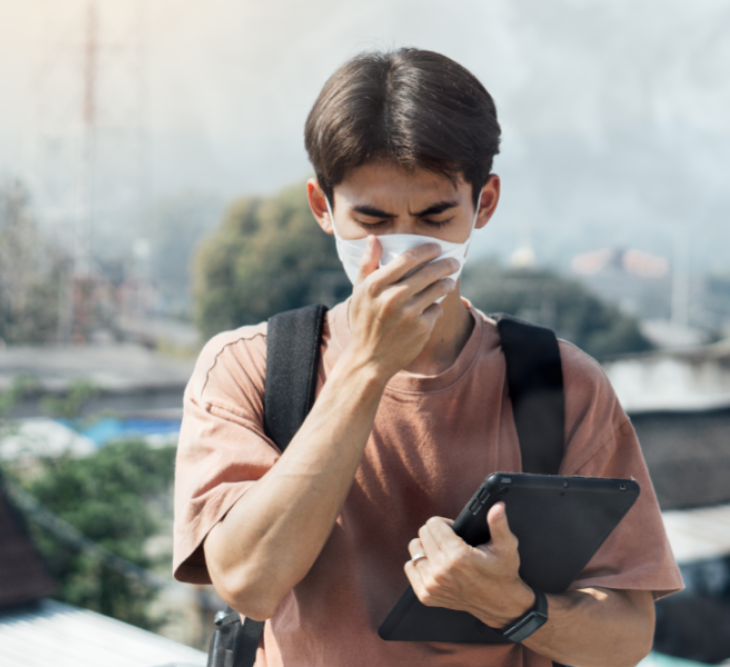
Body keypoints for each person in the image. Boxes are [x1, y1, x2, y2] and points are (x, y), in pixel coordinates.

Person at [172, 48, 683, 667]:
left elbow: (627, 635)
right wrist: (365, 369)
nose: (404, 247)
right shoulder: (249, 370)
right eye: (373, 218)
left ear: (484, 205)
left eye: (436, 217)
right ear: (323, 209)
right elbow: (248, 582)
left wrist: (513, 606)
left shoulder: (559, 383)